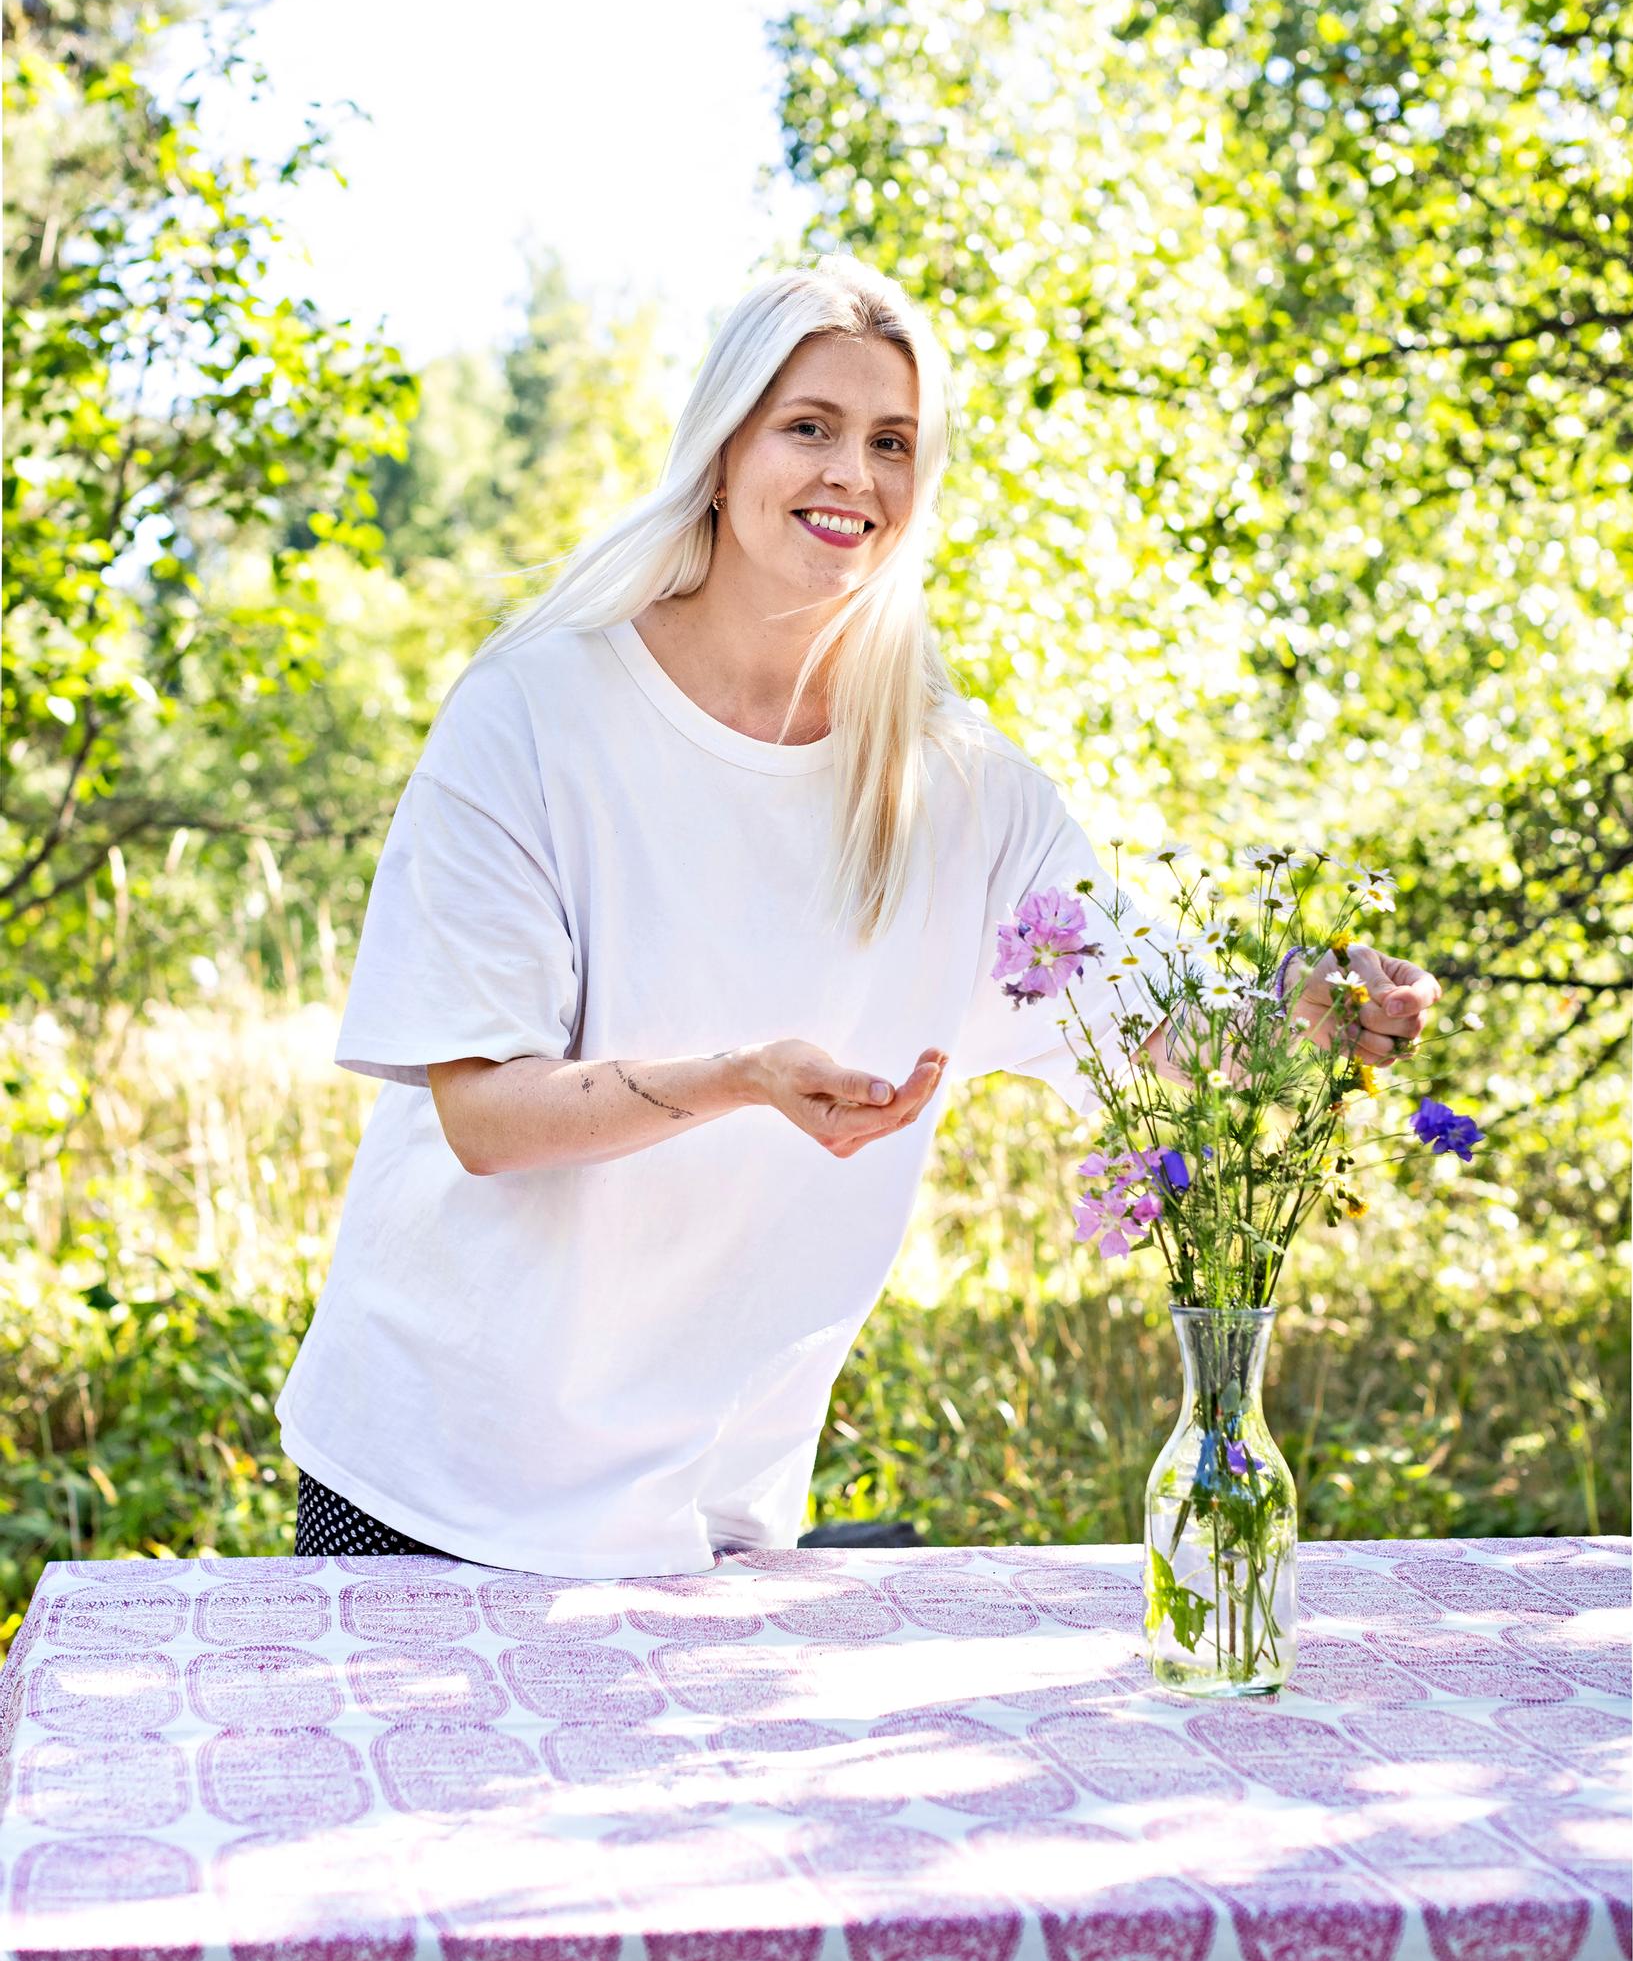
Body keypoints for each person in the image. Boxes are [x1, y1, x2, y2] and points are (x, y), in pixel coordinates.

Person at [276, 256, 1437, 1572]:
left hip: (709, 1504)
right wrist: (737, 1078)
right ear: (721, 453)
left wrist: (1308, 1007)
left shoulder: (959, 788)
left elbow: (1155, 1032)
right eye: (809, 427)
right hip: (439, 1476)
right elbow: (486, 1116)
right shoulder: (533, 714)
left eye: (892, 442)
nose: (854, 475)